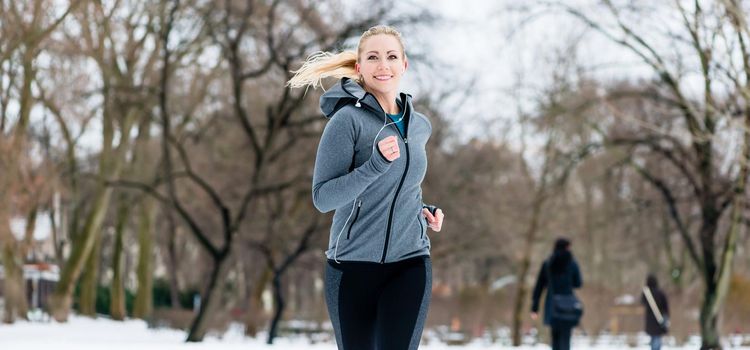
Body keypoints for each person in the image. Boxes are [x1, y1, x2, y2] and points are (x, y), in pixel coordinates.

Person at [287, 25, 445, 350]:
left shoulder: (420, 126)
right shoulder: (346, 122)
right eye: (373, 57)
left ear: (405, 64)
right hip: (352, 267)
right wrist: (373, 166)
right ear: (360, 67)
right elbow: (322, 197)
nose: (382, 65)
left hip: (410, 262)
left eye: (391, 57)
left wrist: (423, 210)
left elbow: (402, 188)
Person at [530, 237, 583, 350]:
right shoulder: (572, 263)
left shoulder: (548, 263)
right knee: (566, 338)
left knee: (555, 338)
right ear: (567, 247)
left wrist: (535, 307)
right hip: (568, 305)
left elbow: (539, 286)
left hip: (552, 304)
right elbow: (578, 283)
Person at [642, 274, 669, 350]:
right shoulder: (661, 293)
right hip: (659, 319)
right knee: (657, 338)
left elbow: (642, 302)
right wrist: (666, 317)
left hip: (650, 320)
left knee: (653, 338)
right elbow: (666, 307)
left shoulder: (646, 293)